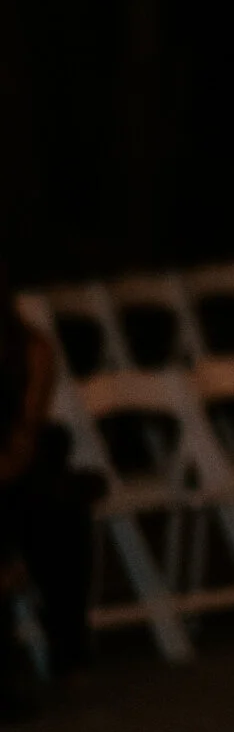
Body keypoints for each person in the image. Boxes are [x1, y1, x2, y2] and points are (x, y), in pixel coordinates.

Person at [0, 263, 97, 681]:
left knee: (58, 510)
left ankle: (66, 641)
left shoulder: (31, 348)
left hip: (16, 462)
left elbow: (25, 435)